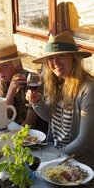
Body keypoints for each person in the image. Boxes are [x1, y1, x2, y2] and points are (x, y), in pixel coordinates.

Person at [26, 30, 94, 169]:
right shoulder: (58, 81)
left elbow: (85, 141)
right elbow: (50, 118)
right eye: (51, 58)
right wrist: (37, 102)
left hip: (78, 164)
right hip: (56, 152)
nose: (55, 62)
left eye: (61, 55)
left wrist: (55, 157)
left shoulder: (88, 89)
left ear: (74, 57)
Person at [0, 43, 48, 132]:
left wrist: (12, 136)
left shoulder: (31, 83)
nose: (0, 71)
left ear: (17, 65)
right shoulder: (5, 80)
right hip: (14, 127)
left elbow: (30, 123)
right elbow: (5, 114)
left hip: (35, 134)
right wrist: (11, 89)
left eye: (5, 65)